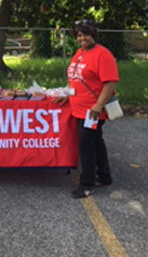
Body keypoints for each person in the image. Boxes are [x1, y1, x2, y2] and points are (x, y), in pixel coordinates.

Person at [58, 20, 119, 199]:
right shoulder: (80, 53)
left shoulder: (103, 54)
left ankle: (87, 184)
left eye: (85, 34)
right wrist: (67, 94)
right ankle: (105, 176)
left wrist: (99, 105)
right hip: (78, 108)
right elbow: (75, 79)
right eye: (78, 35)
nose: (82, 38)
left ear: (93, 34)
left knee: (86, 142)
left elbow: (110, 83)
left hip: (91, 110)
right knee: (96, 141)